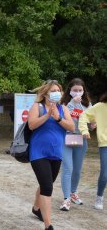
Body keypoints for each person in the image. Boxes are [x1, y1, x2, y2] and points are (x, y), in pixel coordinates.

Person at [28, 80, 74, 230]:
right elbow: (31, 125)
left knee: (46, 183)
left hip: (56, 153)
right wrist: (48, 114)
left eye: (58, 90)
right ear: (46, 93)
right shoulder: (37, 106)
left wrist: (58, 118)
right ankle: (48, 225)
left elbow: (71, 127)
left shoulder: (63, 109)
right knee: (47, 187)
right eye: (53, 90)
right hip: (38, 153)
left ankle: (36, 208)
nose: (56, 93)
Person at [59, 78, 94, 211]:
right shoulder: (64, 103)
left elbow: (90, 123)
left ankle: (73, 192)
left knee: (77, 169)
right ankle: (66, 198)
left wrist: (92, 125)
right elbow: (61, 116)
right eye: (75, 90)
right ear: (70, 90)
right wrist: (72, 103)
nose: (78, 93)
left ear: (84, 90)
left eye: (80, 90)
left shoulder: (88, 104)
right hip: (66, 137)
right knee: (68, 168)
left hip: (81, 139)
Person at [79, 90, 107, 210]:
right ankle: (99, 197)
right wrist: (84, 130)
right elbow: (83, 116)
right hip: (105, 143)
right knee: (105, 173)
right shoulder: (100, 106)